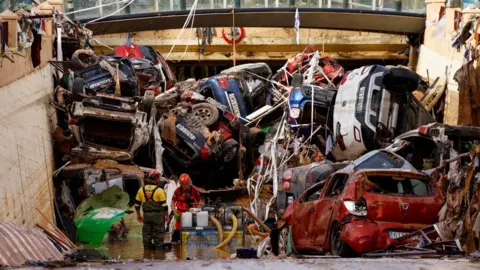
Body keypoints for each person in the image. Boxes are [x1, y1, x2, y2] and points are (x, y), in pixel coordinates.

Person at [135, 170, 169, 250]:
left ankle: (147, 255)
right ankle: (159, 256)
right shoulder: (160, 191)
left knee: (146, 236)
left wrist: (138, 215)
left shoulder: (141, 190)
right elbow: (164, 206)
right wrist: (167, 216)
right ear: (156, 179)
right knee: (158, 237)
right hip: (158, 218)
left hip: (147, 216)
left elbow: (137, 205)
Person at [171, 173, 201, 242]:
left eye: (185, 184)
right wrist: (175, 212)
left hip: (191, 213)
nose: (183, 186)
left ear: (189, 183)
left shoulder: (194, 190)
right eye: (182, 184)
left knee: (192, 230)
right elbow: (172, 202)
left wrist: (197, 210)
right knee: (177, 231)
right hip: (180, 213)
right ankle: (176, 247)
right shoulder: (177, 190)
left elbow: (200, 201)